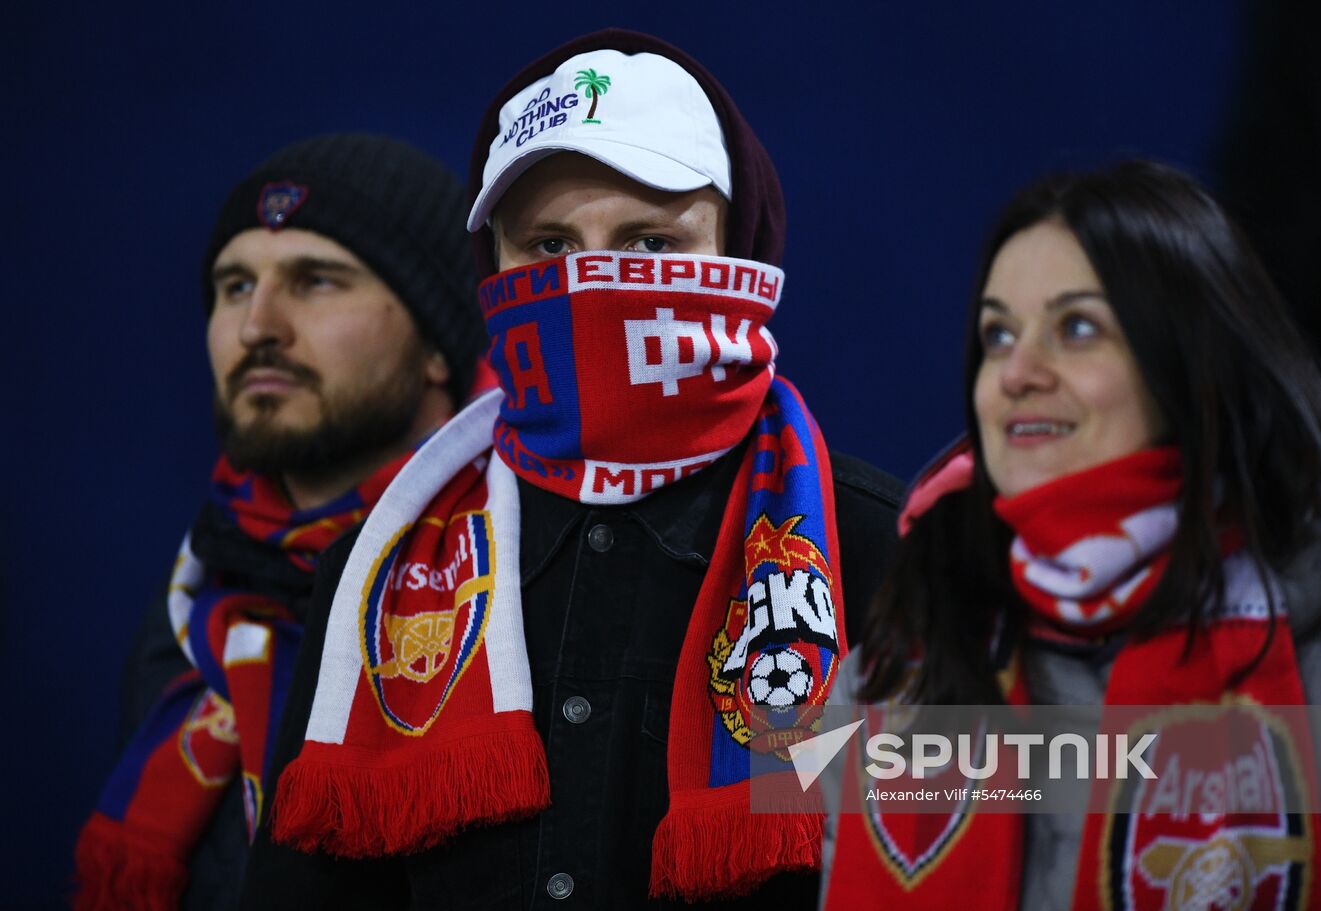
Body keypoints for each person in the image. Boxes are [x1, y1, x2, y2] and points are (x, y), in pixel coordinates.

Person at [237, 28, 902, 910]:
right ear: (494, 267)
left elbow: (980, 855)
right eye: (548, 247)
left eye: (650, 244)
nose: (592, 282)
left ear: (741, 255)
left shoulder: (885, 551)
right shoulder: (379, 570)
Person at [822, 160, 1321, 909]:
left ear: (1190, 359)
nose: (1018, 372)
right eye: (998, 334)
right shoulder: (887, 677)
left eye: (1077, 328)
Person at [74, 133, 486, 911]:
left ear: (438, 346)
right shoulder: (200, 599)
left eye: (316, 280)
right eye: (235, 286)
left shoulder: (524, 578)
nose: (257, 325)